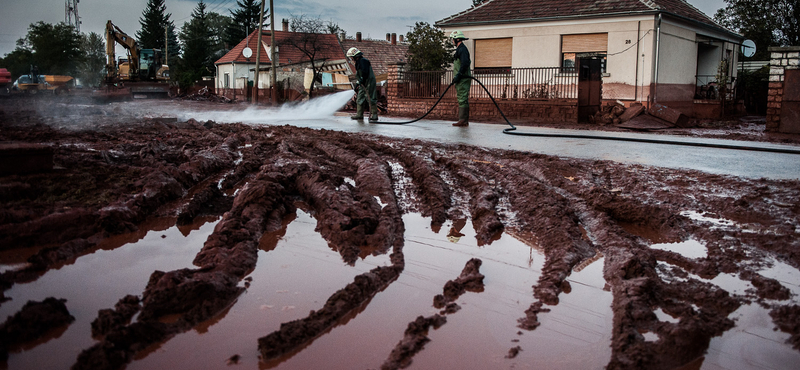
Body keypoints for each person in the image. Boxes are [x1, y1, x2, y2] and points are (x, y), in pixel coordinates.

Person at [346, 47, 378, 122]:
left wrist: (361, 79)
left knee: (370, 98)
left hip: (369, 82)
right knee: (360, 98)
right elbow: (359, 75)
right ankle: (359, 115)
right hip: (363, 83)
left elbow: (365, 73)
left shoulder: (364, 61)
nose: (351, 59)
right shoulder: (358, 63)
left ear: (355, 56)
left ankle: (374, 115)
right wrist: (357, 84)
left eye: (351, 57)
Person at [450, 31, 471, 127]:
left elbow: (465, 63)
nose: (452, 41)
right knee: (462, 98)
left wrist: (459, 75)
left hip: (463, 78)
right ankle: (463, 120)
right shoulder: (460, 49)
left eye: (452, 39)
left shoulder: (462, 49)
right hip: (461, 78)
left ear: (457, 39)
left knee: (462, 98)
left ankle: (463, 120)